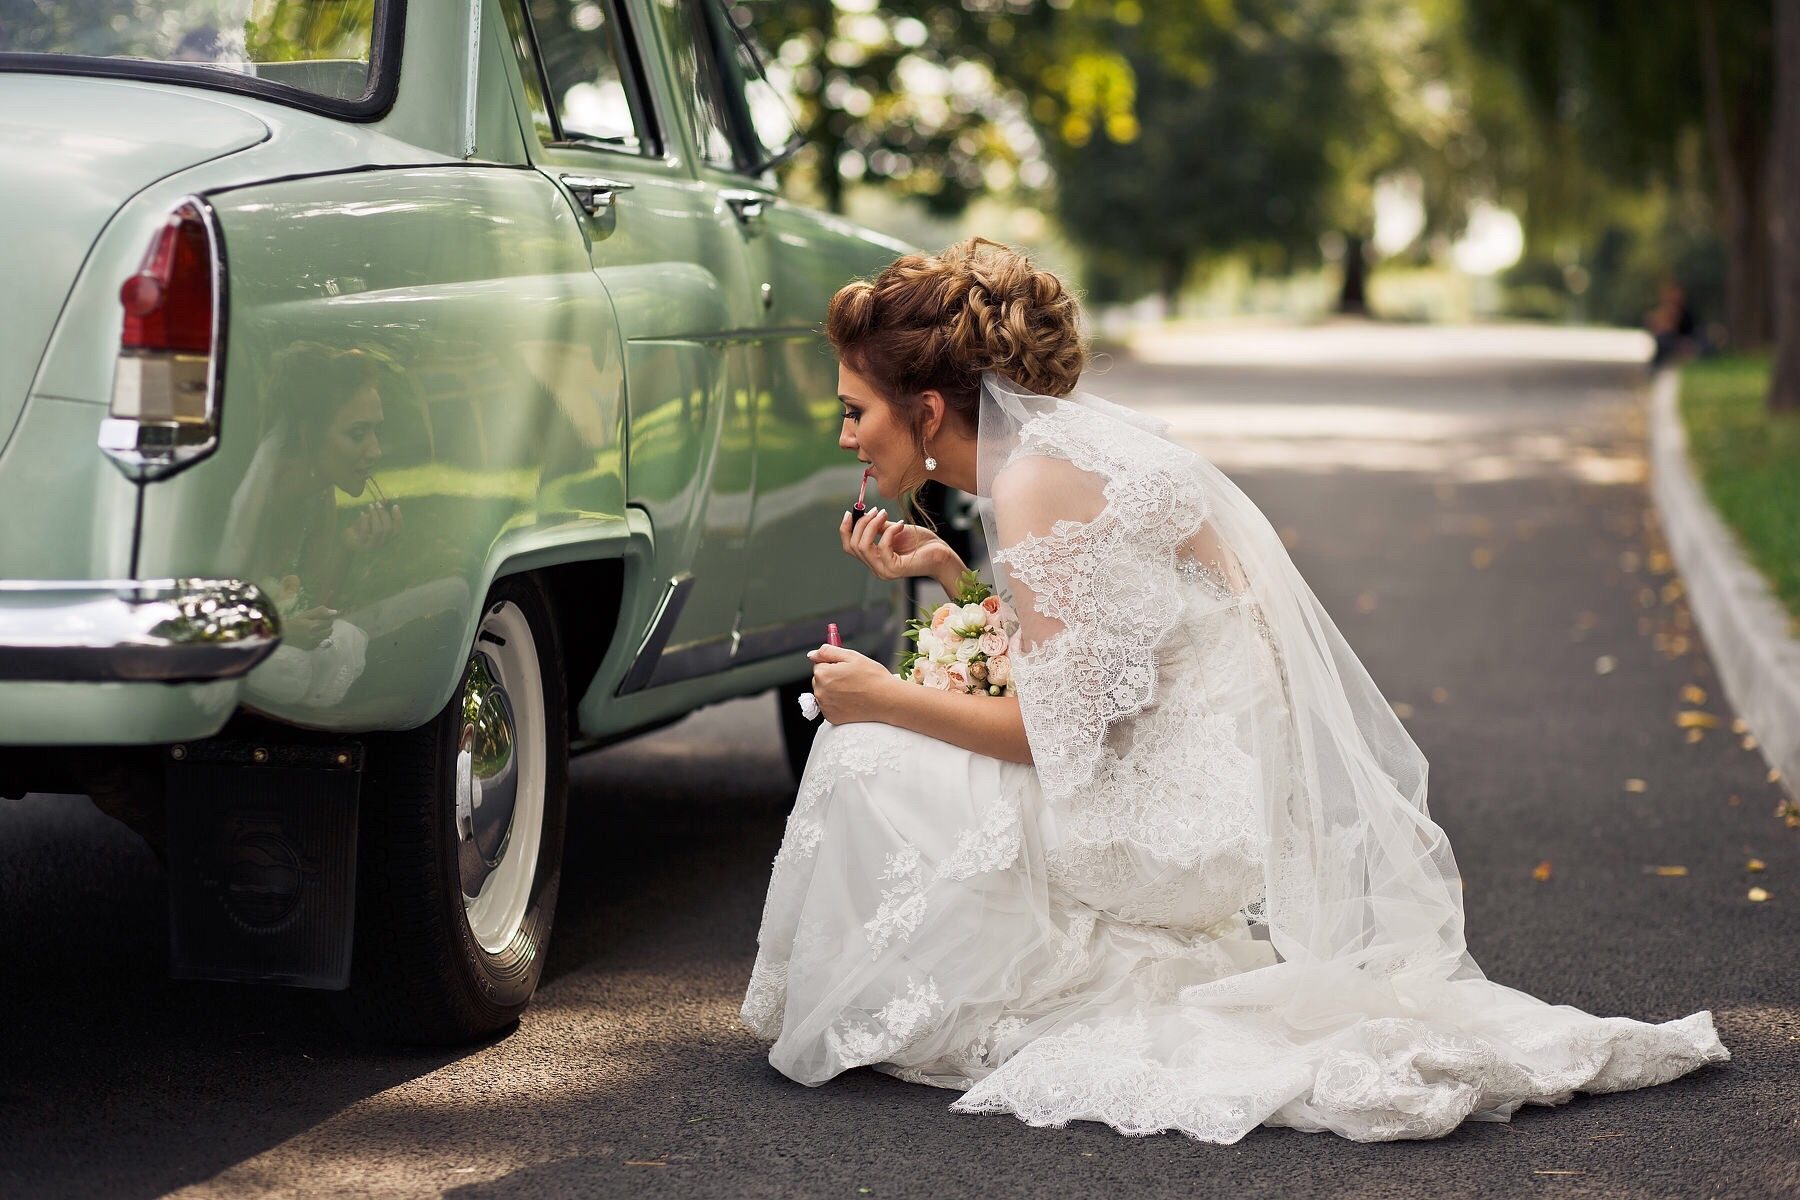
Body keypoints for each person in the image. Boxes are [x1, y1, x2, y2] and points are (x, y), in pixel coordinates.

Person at [739, 238, 1729, 1144]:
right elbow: (1112, 656)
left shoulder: (1034, 482)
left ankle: (912, 1000)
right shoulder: (1062, 463)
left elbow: (1051, 736)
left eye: (853, 411)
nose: (846, 438)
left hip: (1151, 837)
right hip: (1204, 803)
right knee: (894, 740)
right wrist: (956, 581)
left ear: (924, 410)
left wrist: (882, 697)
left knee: (864, 750)